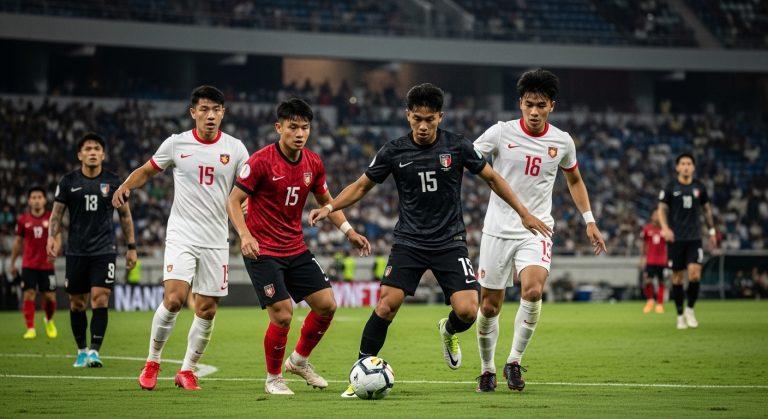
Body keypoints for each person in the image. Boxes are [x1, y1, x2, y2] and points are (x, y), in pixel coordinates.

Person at [308, 83, 551, 398]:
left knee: (467, 311)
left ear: (440, 117)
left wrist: (523, 212)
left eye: (430, 120)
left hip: (450, 240)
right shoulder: (393, 151)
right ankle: (360, 373)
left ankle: (448, 329)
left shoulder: (458, 146)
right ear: (408, 116)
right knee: (385, 305)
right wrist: (329, 207)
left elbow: (492, 177)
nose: (423, 126)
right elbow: (361, 185)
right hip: (409, 241)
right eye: (417, 119)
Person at [471, 69, 607, 393]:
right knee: (489, 306)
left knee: (532, 290)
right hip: (497, 229)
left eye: (541, 105)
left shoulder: (561, 141)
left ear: (551, 106)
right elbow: (469, 158)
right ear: (520, 103)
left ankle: (514, 361)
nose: (534, 112)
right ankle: (487, 368)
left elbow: (574, 180)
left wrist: (589, 219)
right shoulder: (500, 133)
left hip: (538, 228)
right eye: (529, 104)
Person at [227, 98, 371, 395]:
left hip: (295, 247)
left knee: (327, 305)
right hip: (262, 249)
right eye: (293, 127)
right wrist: (245, 236)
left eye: (305, 127)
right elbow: (232, 201)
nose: (300, 133)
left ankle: (299, 361)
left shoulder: (313, 162)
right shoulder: (259, 161)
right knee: (282, 314)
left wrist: (349, 231)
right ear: (279, 127)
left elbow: (326, 201)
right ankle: (273, 379)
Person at [113, 85, 250, 391]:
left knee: (207, 309)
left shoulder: (237, 149)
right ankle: (152, 361)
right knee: (174, 298)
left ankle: (186, 370)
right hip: (182, 233)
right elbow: (148, 171)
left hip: (216, 238)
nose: (210, 115)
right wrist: (126, 185)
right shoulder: (176, 144)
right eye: (204, 109)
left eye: (216, 109)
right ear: (193, 112)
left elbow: (248, 190)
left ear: (223, 113)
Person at [48, 133, 137, 368]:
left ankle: (95, 352)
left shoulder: (115, 181)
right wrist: (51, 238)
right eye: (87, 149)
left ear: (103, 154)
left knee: (100, 298)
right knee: (77, 303)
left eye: (97, 148)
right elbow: (56, 214)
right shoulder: (68, 182)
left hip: (104, 249)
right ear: (80, 154)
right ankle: (81, 350)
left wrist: (131, 247)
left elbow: (125, 215)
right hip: (76, 250)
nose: (92, 152)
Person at [658, 153, 717, 330]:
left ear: (693, 167)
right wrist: (665, 228)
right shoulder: (670, 187)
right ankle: (679, 315)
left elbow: (707, 210)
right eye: (682, 163)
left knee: (694, 273)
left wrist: (712, 231)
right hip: (676, 239)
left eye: (689, 163)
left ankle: (690, 309)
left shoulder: (699, 187)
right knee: (677, 277)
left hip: (694, 238)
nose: (686, 166)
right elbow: (661, 209)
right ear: (677, 167)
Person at [11, 187, 61, 339]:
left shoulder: (52, 218)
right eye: (33, 197)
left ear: (45, 200)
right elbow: (18, 242)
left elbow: (58, 238)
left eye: (39, 197)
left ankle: (49, 320)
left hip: (47, 265)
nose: (37, 200)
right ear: (29, 201)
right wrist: (12, 263)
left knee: (50, 297)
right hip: (29, 265)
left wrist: (55, 251)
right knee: (29, 294)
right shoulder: (23, 220)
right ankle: (30, 328)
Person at [640, 210, 667, 314]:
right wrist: (642, 259)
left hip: (663, 261)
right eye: (655, 214)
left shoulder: (665, 229)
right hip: (650, 260)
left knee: (661, 281)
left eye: (659, 215)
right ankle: (650, 301)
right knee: (647, 280)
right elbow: (644, 245)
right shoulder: (647, 229)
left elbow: (669, 245)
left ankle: (659, 304)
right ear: (652, 216)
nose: (657, 217)